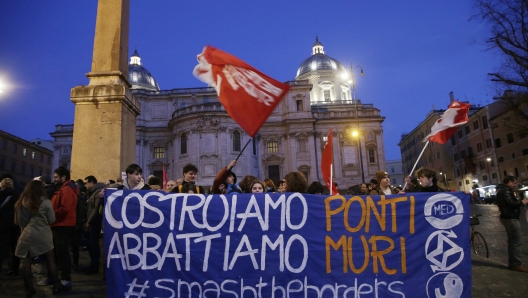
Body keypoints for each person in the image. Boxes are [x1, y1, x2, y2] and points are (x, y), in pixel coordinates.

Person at [15, 180, 64, 296]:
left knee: (26, 261)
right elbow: (52, 220)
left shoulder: (21, 201)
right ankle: (56, 285)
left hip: (27, 233)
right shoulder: (46, 202)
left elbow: (18, 221)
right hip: (44, 234)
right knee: (50, 260)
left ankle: (28, 288)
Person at [39, 166, 78, 290]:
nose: (54, 179)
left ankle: (65, 279)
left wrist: (51, 214)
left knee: (62, 254)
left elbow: (64, 209)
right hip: (57, 224)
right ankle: (53, 277)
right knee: (55, 254)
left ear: (63, 177)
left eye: (56, 177)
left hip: (62, 225)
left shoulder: (66, 190)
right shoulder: (62, 189)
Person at [496, 176, 528, 272]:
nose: (515, 185)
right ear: (509, 182)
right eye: (514, 183)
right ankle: (516, 264)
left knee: (512, 242)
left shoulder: (501, 190)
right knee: (516, 242)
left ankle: (512, 263)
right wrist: (522, 201)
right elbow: (510, 203)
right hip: (510, 217)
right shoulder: (505, 191)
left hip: (507, 217)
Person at [83, 182, 105, 274]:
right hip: (93, 222)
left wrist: (89, 221)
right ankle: (93, 265)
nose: (85, 185)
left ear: (92, 183)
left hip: (95, 223)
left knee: (94, 244)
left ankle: (94, 266)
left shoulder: (97, 193)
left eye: (87, 183)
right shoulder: (94, 193)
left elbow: (95, 209)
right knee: (92, 244)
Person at [0, 178, 20, 277]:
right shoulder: (17, 195)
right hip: (15, 225)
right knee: (15, 248)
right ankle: (14, 269)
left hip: (2, 225)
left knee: (2, 248)